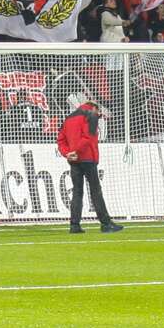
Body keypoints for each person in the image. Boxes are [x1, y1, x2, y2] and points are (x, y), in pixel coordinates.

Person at [54, 95, 122, 234]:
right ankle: (106, 223)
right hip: (87, 158)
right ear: (94, 107)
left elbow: (60, 140)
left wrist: (68, 153)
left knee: (77, 192)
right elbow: (89, 137)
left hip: (74, 160)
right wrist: (76, 150)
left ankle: (74, 225)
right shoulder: (91, 114)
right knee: (95, 190)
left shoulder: (68, 118)